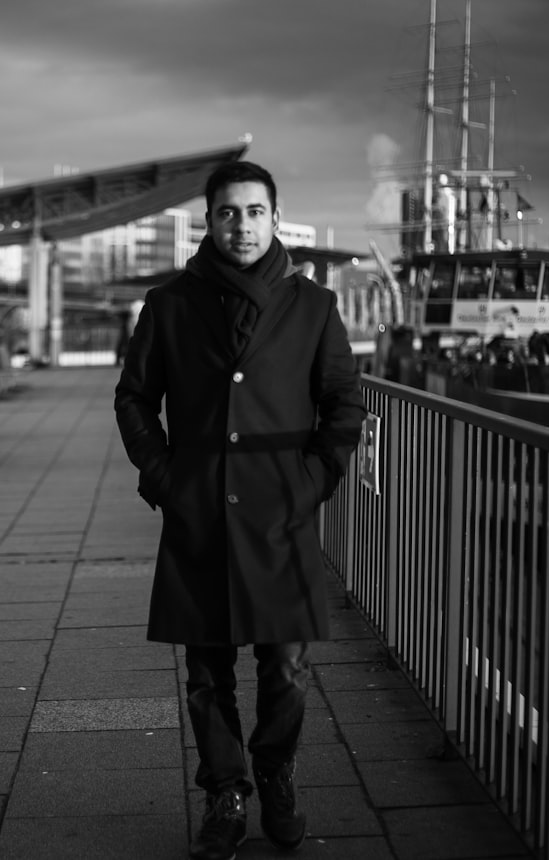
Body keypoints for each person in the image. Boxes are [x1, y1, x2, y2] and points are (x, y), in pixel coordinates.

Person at [114, 161, 366, 860]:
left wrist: (311, 483)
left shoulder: (312, 307)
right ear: (210, 220)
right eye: (229, 213)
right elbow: (134, 398)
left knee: (285, 667)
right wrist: (165, 477)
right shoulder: (169, 304)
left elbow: (344, 405)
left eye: (255, 212)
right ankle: (224, 794)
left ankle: (276, 773)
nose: (243, 225)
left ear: (275, 218)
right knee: (205, 674)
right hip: (198, 513)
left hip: (280, 517)